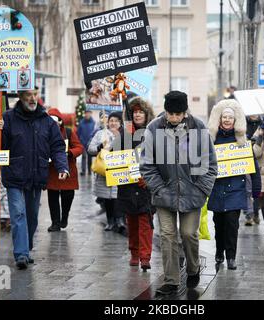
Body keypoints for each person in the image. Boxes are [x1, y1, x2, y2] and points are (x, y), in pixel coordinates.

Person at [140, 91, 218, 295]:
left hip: (192, 193)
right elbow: (147, 165)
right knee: (167, 235)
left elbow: (210, 164)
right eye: (170, 113)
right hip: (163, 193)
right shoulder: (153, 128)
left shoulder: (199, 128)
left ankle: (193, 268)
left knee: (188, 234)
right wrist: (158, 187)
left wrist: (201, 189)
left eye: (177, 113)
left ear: (185, 112)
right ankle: (171, 280)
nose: (173, 117)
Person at [0, 88, 69, 270]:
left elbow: (57, 146)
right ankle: (21, 254)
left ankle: (26, 246)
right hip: (14, 175)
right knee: (18, 213)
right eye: (28, 95)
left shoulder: (47, 121)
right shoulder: (7, 118)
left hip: (36, 175)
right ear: (20, 97)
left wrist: (62, 166)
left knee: (32, 217)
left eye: (35, 94)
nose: (33, 99)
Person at [207, 99, 261, 270]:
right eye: (224, 117)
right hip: (217, 188)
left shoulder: (243, 142)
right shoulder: (211, 142)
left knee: (232, 224)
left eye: (230, 117)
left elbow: (254, 166)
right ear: (219, 119)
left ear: (235, 119)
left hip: (236, 189)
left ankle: (231, 257)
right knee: (219, 223)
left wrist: (257, 188)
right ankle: (219, 251)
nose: (227, 120)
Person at [115, 96, 156, 271]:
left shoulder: (154, 133)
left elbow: (159, 158)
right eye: (135, 112)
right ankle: (134, 252)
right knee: (131, 222)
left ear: (146, 114)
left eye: (141, 111)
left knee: (145, 222)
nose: (138, 115)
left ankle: (145, 257)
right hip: (128, 186)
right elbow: (115, 157)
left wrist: (150, 178)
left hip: (146, 186)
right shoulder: (124, 133)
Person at [88, 111, 126, 233]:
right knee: (108, 198)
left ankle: (120, 220)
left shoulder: (125, 134)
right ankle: (110, 221)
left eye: (116, 121)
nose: (113, 123)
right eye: (111, 120)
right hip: (105, 170)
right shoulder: (101, 134)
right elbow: (90, 149)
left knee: (119, 196)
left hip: (121, 169)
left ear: (120, 122)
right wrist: (99, 147)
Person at [46, 108, 84, 232]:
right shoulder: (45, 133)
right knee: (52, 198)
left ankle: (65, 216)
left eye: (56, 121)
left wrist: (70, 153)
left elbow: (79, 147)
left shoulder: (68, 132)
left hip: (68, 170)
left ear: (60, 122)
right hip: (52, 171)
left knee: (67, 196)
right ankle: (55, 222)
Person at [243, 114, 263, 226]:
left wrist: (259, 138)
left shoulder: (263, 124)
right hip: (246, 159)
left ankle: (256, 212)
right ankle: (249, 214)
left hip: (259, 162)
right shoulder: (242, 124)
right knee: (247, 188)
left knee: (257, 190)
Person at [77, 110, 95, 175]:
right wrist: (79, 140)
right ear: (85, 114)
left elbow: (94, 133)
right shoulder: (81, 122)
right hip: (83, 143)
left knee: (90, 158)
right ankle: (83, 171)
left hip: (90, 143)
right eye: (86, 113)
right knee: (84, 157)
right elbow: (78, 133)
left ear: (90, 114)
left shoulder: (93, 123)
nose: (87, 114)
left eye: (89, 113)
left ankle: (90, 171)